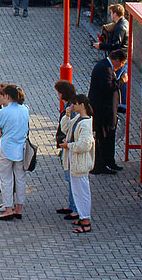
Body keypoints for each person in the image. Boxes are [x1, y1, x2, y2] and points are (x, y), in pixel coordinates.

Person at [0, 84, 29, 219]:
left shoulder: (3, 111)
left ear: (7, 96)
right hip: (21, 148)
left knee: (6, 178)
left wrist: (2, 132)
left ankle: (8, 208)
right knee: (20, 178)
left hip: (7, 148)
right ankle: (19, 208)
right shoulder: (25, 109)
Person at [89, 49, 127, 174]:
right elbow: (108, 87)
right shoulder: (104, 68)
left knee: (110, 137)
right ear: (117, 60)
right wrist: (122, 81)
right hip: (103, 111)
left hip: (108, 110)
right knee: (103, 137)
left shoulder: (107, 67)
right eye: (121, 64)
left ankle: (110, 162)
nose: (121, 66)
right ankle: (100, 165)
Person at [62, 95, 96, 234]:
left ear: (82, 105)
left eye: (75, 104)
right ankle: (82, 218)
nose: (73, 107)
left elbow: (85, 145)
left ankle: (86, 221)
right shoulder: (77, 119)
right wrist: (67, 115)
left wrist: (68, 145)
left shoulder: (86, 123)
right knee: (77, 191)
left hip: (80, 163)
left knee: (82, 192)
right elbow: (65, 129)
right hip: (74, 161)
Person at [54, 81, 79, 220]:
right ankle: (72, 205)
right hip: (67, 145)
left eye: (58, 92)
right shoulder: (70, 105)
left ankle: (75, 208)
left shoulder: (71, 107)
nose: (57, 95)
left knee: (71, 178)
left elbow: (70, 127)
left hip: (69, 146)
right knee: (69, 178)